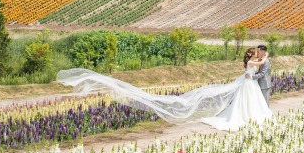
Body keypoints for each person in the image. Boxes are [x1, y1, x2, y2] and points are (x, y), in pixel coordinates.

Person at [56, 45, 273, 132]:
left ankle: (250, 117)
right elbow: (259, 66)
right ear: (252, 57)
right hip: (248, 85)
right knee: (244, 108)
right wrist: (263, 58)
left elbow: (255, 68)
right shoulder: (254, 63)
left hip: (248, 85)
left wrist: (256, 64)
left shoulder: (250, 63)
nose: (258, 57)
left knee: (245, 106)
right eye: (256, 55)